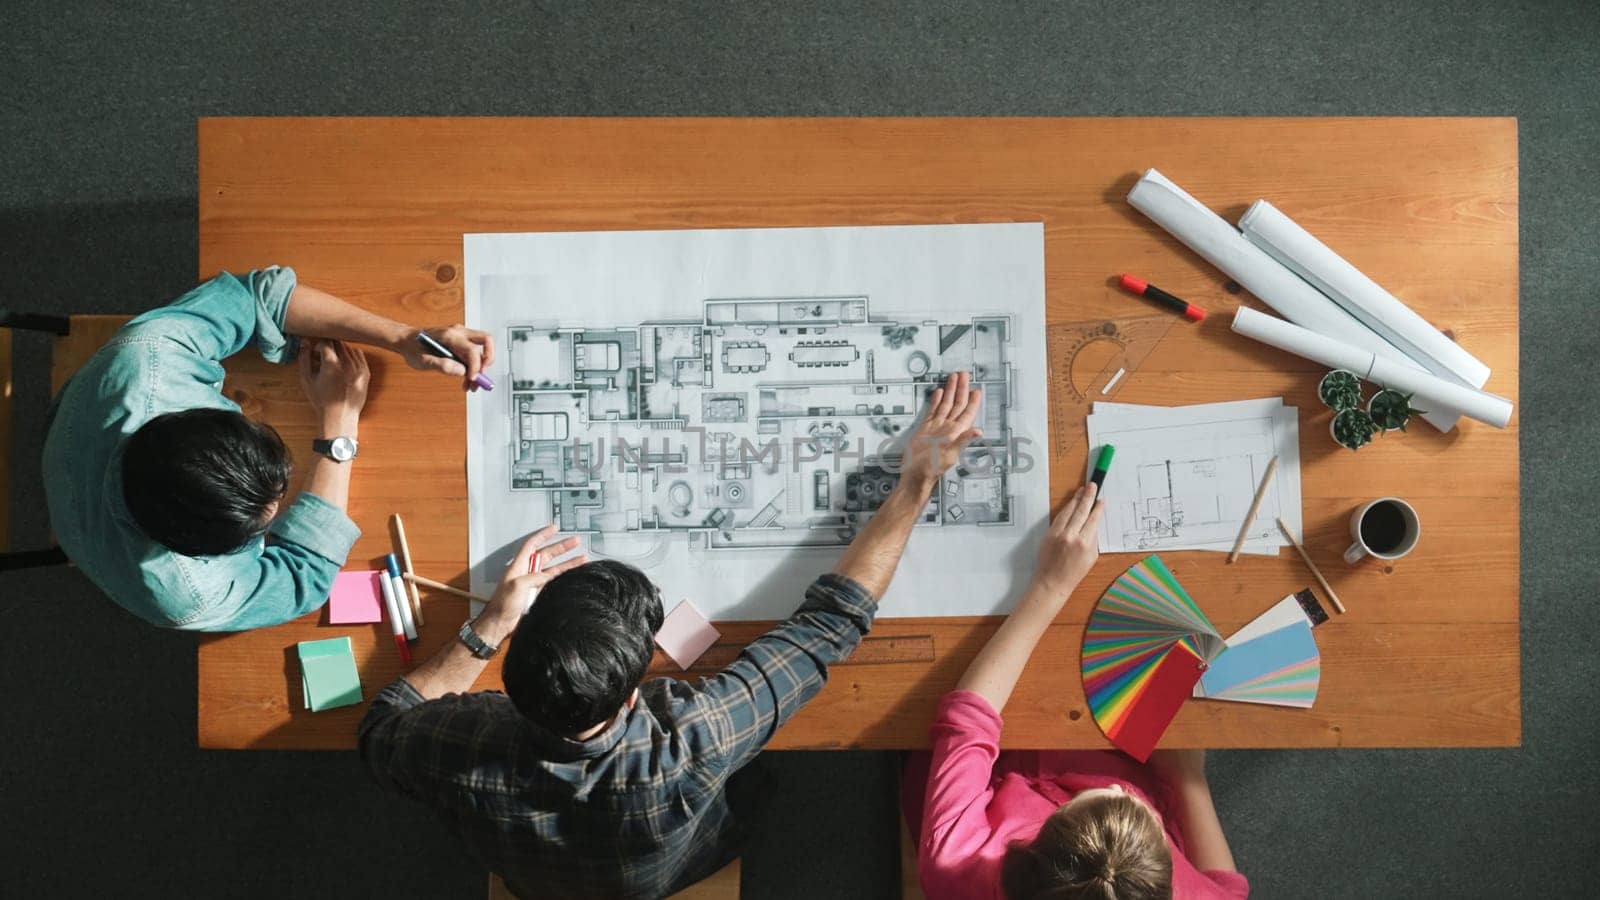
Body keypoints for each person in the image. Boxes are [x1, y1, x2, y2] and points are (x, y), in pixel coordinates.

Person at [358, 372, 987, 900]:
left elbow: (381, 727)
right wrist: (916, 482)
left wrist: (489, 623)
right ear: (634, 695)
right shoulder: (692, 741)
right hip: (672, 868)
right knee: (756, 786)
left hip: (534, 879)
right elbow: (830, 623)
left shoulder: (455, 741)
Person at [42, 266, 493, 630]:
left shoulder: (147, 358)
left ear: (196, 419)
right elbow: (304, 577)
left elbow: (260, 296)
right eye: (262, 525)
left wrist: (406, 338)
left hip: (68, 438)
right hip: (79, 525)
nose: (281, 505)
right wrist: (339, 426)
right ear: (197, 551)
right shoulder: (187, 593)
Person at [903, 482, 1250, 900]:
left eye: (1091, 800)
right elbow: (1227, 891)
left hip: (999, 762)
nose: (1124, 792)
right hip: (1124, 746)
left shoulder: (958, 865)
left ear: (1032, 846)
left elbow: (966, 722)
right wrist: (1186, 775)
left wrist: (1051, 585)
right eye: (1146, 816)